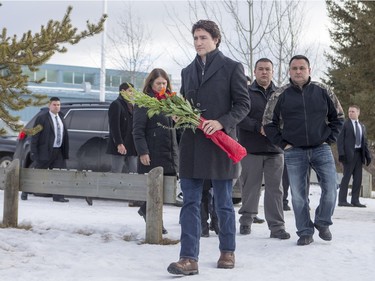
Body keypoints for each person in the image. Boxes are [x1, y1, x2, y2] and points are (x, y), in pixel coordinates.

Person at [167, 20, 250, 275]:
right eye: (195, 38)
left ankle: (227, 251)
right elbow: (188, 106)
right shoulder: (187, 71)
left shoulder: (232, 68)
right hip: (192, 145)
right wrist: (178, 116)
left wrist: (221, 122)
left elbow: (243, 105)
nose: (198, 42)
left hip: (220, 145)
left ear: (216, 39)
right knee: (190, 203)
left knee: (223, 203)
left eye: (203, 37)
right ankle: (188, 258)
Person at [263, 55, 344, 246]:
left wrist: (329, 139)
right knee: (299, 195)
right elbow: (268, 123)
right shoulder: (279, 95)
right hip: (294, 151)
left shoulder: (323, 91)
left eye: (302, 68)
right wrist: (283, 144)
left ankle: (323, 222)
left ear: (309, 70)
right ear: (289, 71)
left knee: (331, 188)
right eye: (294, 68)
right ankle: (305, 231)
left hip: (321, 148)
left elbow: (338, 117)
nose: (298, 71)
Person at [237, 58, 290, 240]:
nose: (264, 72)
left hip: (275, 149)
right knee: (250, 187)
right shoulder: (245, 93)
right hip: (251, 148)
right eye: (261, 69)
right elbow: (239, 117)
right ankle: (246, 221)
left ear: (273, 72)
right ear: (255, 71)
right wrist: (258, 127)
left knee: (276, 189)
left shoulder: (282, 94)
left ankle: (277, 227)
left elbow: (287, 118)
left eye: (268, 69)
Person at [132, 68, 179, 235]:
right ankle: (154, 219)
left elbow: (175, 128)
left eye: (164, 83)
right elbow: (138, 130)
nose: (162, 86)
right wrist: (143, 152)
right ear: (151, 83)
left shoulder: (170, 101)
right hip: (153, 152)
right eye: (158, 83)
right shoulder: (144, 101)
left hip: (169, 152)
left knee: (165, 188)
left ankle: (147, 211)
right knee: (154, 189)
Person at [26, 97, 70, 202]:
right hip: (45, 152)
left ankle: (58, 196)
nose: (57, 107)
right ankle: (25, 191)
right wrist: (34, 152)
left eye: (58, 105)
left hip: (58, 151)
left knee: (59, 173)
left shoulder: (61, 117)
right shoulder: (42, 118)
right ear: (49, 106)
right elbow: (34, 135)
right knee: (37, 174)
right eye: (54, 104)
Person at [105, 82, 138, 207]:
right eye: (130, 91)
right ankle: (93, 190)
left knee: (134, 173)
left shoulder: (131, 105)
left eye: (133, 91)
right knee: (116, 172)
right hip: (120, 146)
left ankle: (134, 199)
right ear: (122, 92)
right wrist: (119, 143)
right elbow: (114, 127)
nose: (132, 94)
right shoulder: (116, 105)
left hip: (131, 146)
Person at [337, 105, 371, 208]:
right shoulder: (345, 124)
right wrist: (341, 154)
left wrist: (367, 155)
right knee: (346, 178)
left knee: (358, 179)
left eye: (353, 111)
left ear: (358, 113)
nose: (350, 113)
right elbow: (340, 141)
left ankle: (355, 200)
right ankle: (342, 200)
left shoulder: (361, 126)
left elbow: (364, 142)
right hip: (348, 155)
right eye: (349, 111)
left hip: (359, 155)